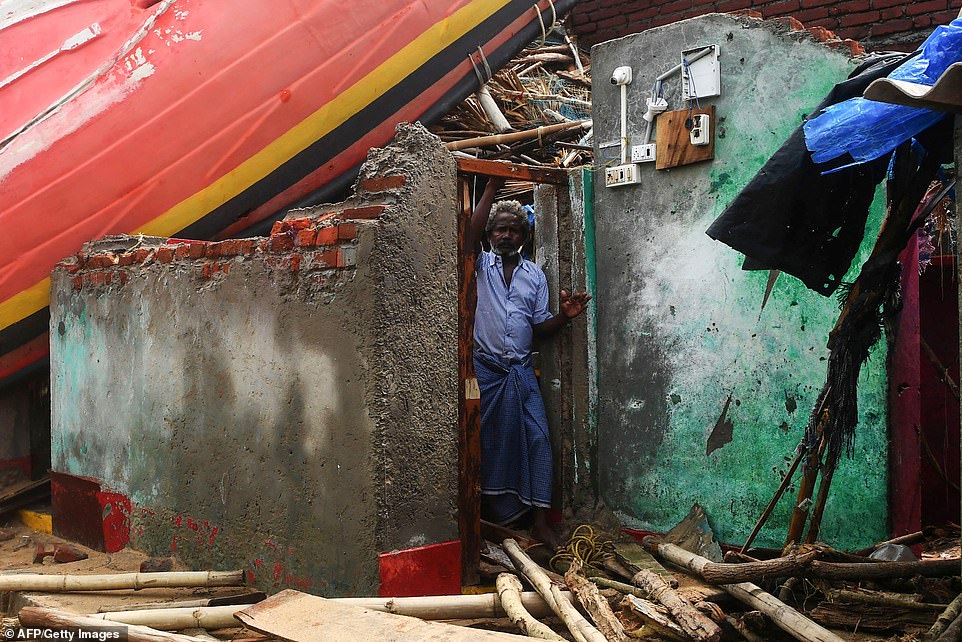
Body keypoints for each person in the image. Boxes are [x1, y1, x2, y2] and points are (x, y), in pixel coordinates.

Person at [465, 178, 591, 548]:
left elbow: (539, 327)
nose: (506, 235)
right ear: (490, 234)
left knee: (537, 439)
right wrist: (489, 188)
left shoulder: (534, 274)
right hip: (485, 372)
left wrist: (565, 316)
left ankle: (539, 522)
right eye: (499, 229)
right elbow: (468, 237)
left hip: (520, 373)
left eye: (513, 229)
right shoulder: (478, 265)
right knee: (483, 443)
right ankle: (485, 519)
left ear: (524, 236)